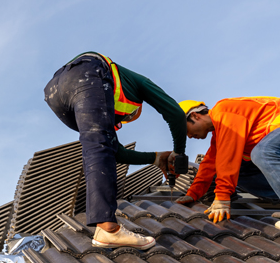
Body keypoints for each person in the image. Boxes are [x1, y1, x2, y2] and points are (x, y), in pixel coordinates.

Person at [44, 52, 187, 249]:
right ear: (134, 109)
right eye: (124, 118)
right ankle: (107, 227)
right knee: (99, 143)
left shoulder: (101, 101)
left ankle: (104, 226)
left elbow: (117, 152)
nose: (121, 122)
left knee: (99, 144)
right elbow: (176, 114)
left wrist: (156, 158)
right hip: (88, 71)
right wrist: (178, 154)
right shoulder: (138, 83)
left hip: (55, 91)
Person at [176, 97, 280, 231]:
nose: (189, 136)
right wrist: (193, 194)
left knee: (262, 153)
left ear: (195, 116)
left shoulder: (224, 112)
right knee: (241, 171)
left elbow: (228, 156)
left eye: (185, 131)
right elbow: (210, 163)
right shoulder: (219, 133)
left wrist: (222, 197)